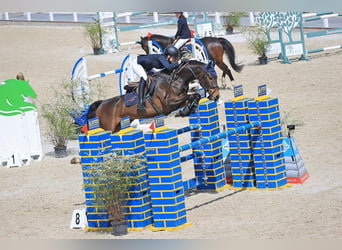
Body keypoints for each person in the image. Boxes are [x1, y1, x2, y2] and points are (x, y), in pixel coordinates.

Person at [132, 45, 180, 111]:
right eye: (174, 58)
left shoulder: (164, 58)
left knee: (158, 75)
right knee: (144, 77)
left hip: (148, 66)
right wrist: (179, 63)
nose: (175, 60)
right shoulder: (162, 58)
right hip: (137, 64)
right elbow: (169, 67)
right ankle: (140, 103)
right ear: (169, 56)